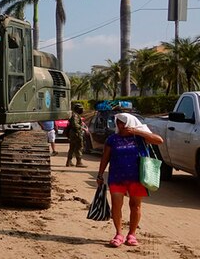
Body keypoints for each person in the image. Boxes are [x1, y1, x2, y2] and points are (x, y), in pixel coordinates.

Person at [96, 113, 163, 248]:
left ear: (130, 123)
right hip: (117, 177)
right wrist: (100, 174)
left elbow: (159, 140)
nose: (121, 126)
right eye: (118, 123)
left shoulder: (140, 138)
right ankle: (118, 234)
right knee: (116, 205)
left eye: (123, 123)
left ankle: (132, 234)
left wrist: (137, 131)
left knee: (135, 205)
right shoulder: (112, 139)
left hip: (137, 177)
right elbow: (105, 157)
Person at [65, 103, 88, 167]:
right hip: (76, 134)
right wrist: (81, 127)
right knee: (78, 147)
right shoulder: (75, 115)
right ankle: (79, 162)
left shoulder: (74, 115)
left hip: (74, 133)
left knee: (72, 148)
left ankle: (69, 161)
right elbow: (75, 125)